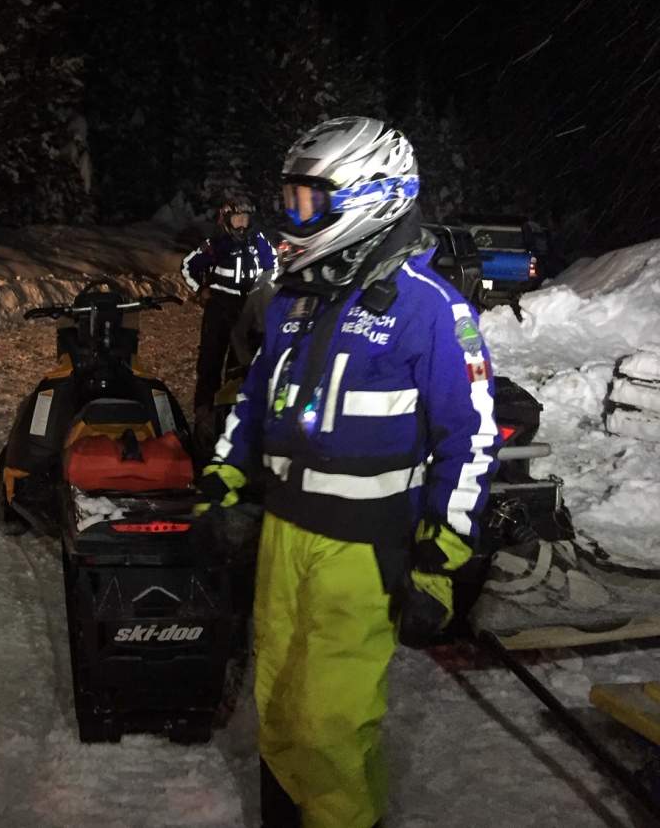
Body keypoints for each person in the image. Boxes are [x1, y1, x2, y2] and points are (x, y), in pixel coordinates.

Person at [195, 117, 500, 828]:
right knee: (276, 706)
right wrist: (222, 479)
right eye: (290, 199)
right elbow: (254, 400)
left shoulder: (431, 310)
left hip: (363, 553)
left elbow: (472, 435)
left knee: (330, 727)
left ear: (370, 198)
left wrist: (441, 557)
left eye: (308, 200)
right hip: (283, 538)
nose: (291, 217)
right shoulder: (294, 302)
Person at [180, 193, 278, 458]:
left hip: (246, 310)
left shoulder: (259, 242)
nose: (242, 224)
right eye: (237, 218)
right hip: (219, 308)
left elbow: (274, 267)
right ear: (226, 219)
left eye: (245, 218)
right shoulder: (216, 244)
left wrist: (266, 294)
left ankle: (232, 422)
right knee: (210, 363)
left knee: (241, 366)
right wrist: (200, 289)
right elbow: (188, 266)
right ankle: (203, 421)